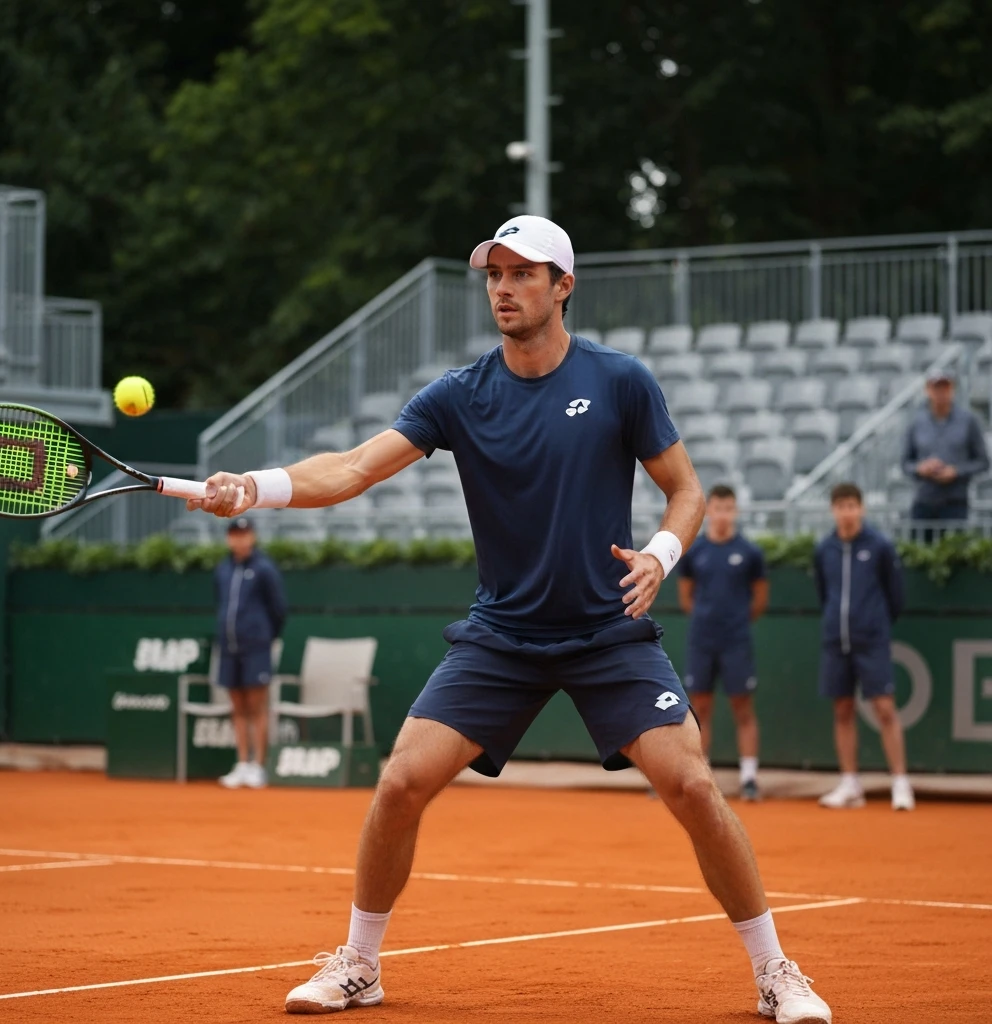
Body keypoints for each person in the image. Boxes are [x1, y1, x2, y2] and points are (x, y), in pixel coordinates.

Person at [189, 215, 832, 1022]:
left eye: (523, 273)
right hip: (503, 634)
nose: (504, 287)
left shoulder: (621, 380)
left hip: (607, 631)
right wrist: (257, 485)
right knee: (399, 781)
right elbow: (352, 468)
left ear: (563, 286)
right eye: (494, 274)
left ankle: (777, 973)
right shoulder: (459, 395)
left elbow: (687, 490)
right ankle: (360, 962)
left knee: (693, 784)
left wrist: (660, 557)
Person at [813, 483, 912, 812]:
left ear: (861, 508)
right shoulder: (824, 548)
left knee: (885, 709)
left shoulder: (881, 546)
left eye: (852, 505)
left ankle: (900, 782)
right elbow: (824, 593)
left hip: (872, 641)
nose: (847, 512)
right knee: (841, 711)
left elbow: (895, 596)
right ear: (833, 510)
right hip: (835, 642)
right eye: (841, 506)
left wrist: (874, 623)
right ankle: (850, 783)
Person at [678, 484, 768, 802]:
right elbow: (686, 596)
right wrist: (706, 620)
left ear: (736, 512)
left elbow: (759, 599)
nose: (723, 515)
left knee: (742, 707)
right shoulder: (697, 551)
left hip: (736, 641)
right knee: (699, 708)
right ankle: (701, 777)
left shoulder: (750, 553)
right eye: (717, 508)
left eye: (729, 508)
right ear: (708, 511)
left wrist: (736, 623)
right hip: (702, 640)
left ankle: (749, 778)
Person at [214, 517, 287, 789]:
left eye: (244, 534)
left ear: (252, 537)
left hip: (256, 647)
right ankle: (242, 764)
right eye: (234, 534)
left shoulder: (265, 569)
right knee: (237, 707)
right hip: (228, 647)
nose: (239, 539)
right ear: (228, 538)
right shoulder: (222, 570)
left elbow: (279, 609)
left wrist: (265, 637)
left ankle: (258, 766)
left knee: (257, 707)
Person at [902, 367, 989, 538]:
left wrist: (956, 471)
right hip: (924, 501)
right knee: (919, 557)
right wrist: (921, 468)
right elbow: (905, 463)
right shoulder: (916, 423)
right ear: (928, 390)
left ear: (952, 389)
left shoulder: (968, 421)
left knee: (955, 556)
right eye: (936, 387)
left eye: (945, 387)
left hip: (955, 502)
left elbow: (983, 461)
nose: (941, 392)